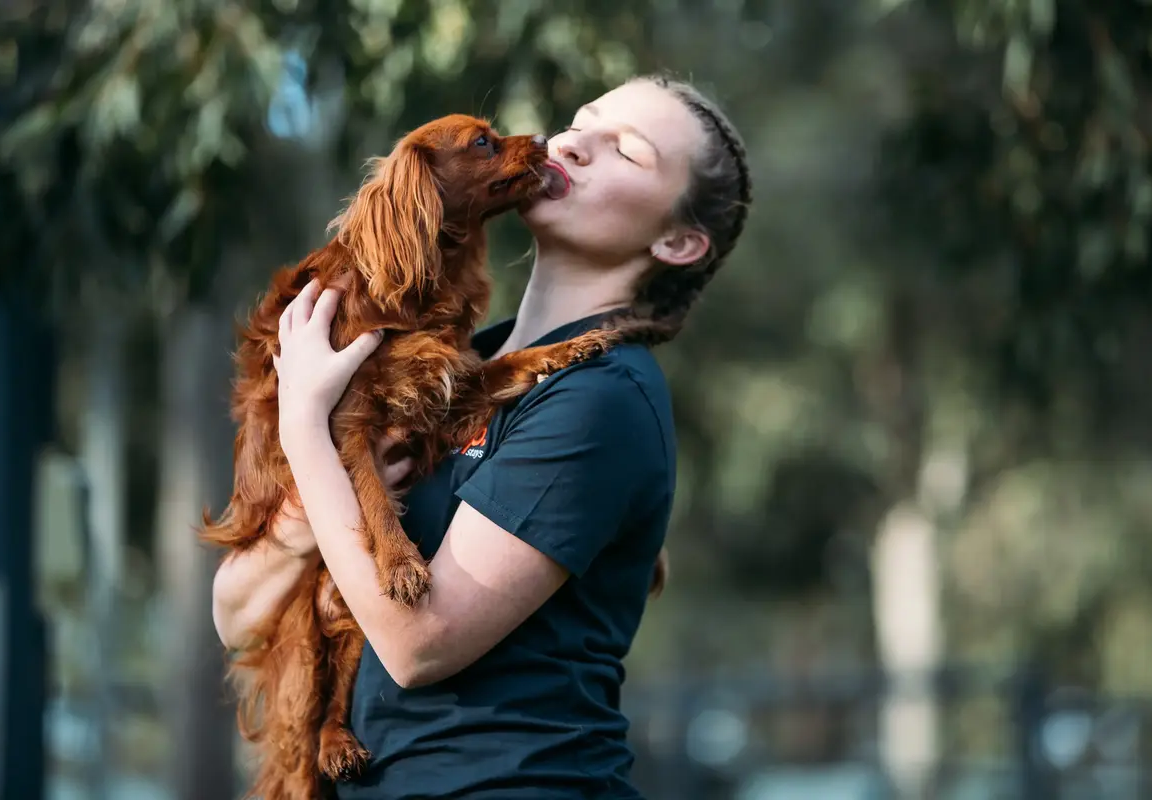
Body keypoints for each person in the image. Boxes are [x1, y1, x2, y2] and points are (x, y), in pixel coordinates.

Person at [211, 73, 752, 799]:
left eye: (626, 149)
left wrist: (308, 426)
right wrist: (314, 503)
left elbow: (417, 644)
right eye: (582, 123)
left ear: (679, 241)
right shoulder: (450, 366)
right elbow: (236, 614)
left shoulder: (600, 398)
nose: (574, 145)